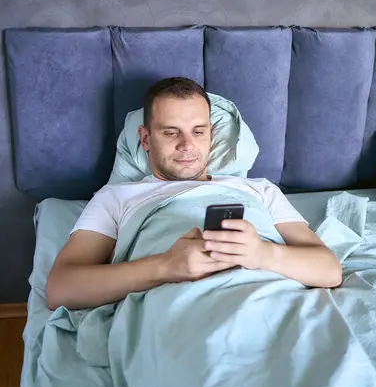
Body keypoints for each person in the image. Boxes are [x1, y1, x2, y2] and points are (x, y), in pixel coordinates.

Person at [46, 77, 342, 311]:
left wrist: (262, 253)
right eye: (171, 132)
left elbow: (329, 270)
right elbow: (61, 289)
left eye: (198, 131)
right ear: (146, 139)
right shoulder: (116, 198)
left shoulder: (260, 190)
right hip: (177, 312)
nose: (187, 145)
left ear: (211, 135)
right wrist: (164, 266)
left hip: (275, 302)